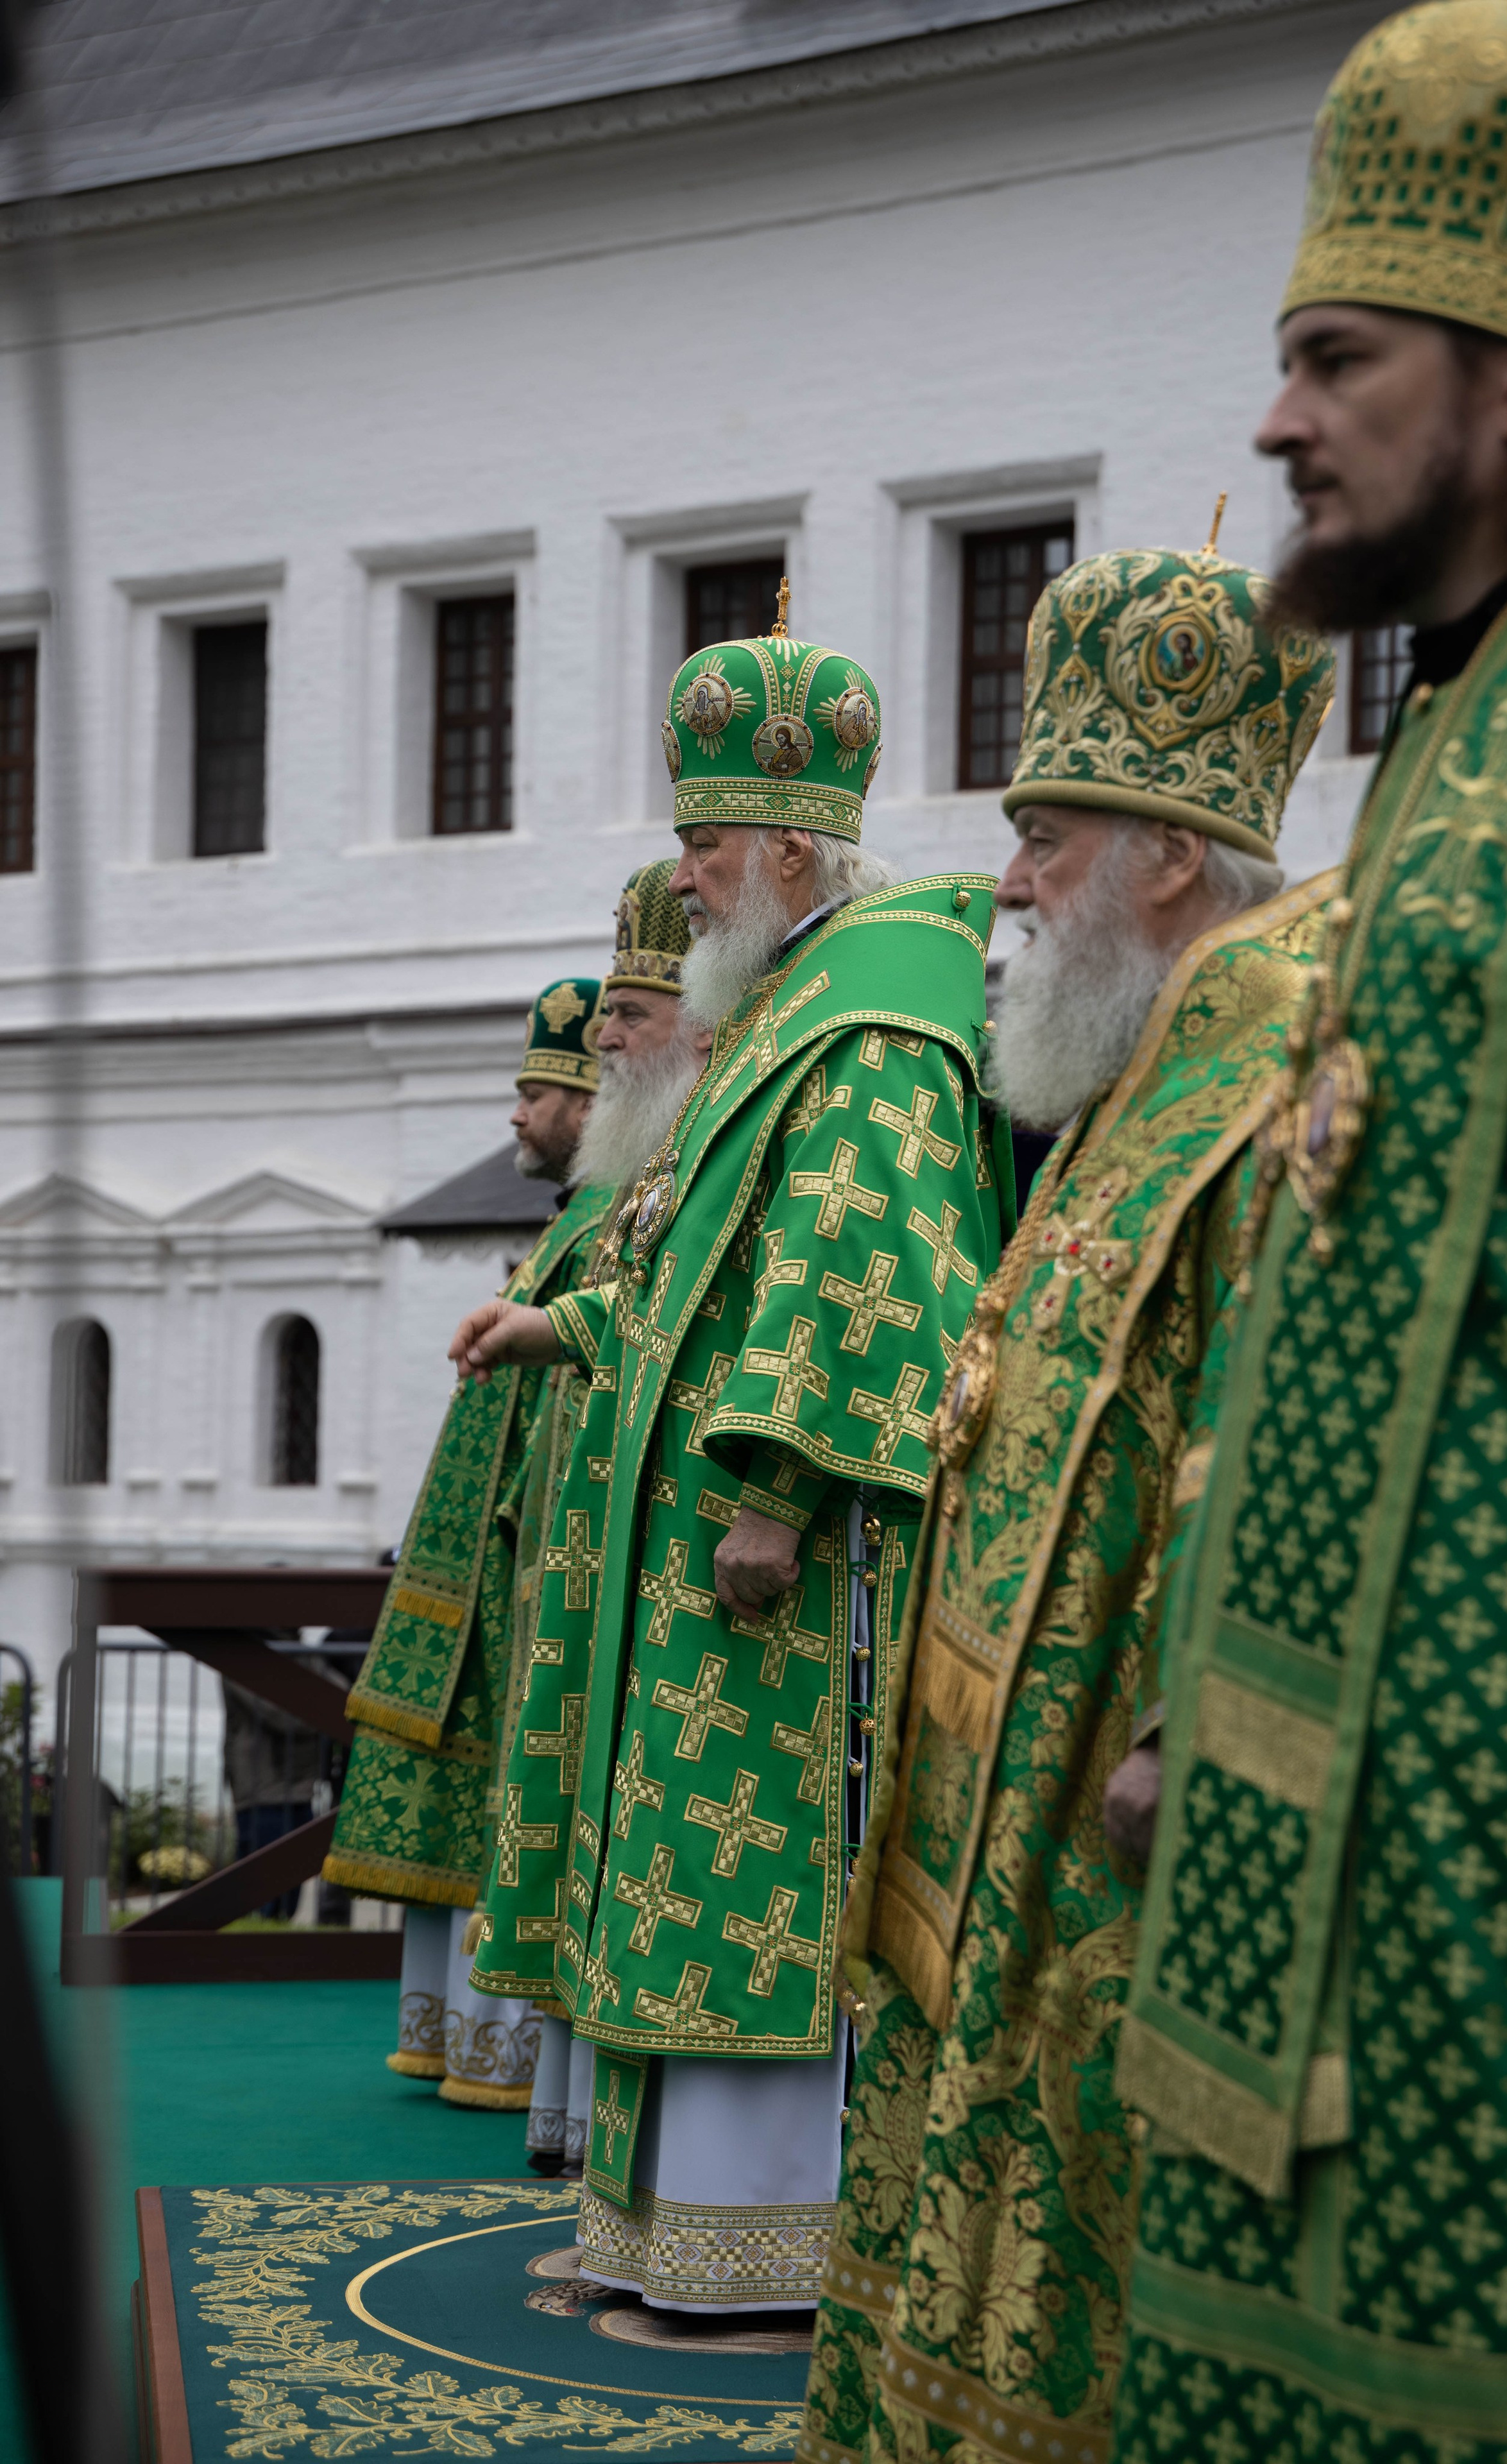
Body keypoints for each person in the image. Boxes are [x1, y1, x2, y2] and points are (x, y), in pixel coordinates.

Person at [1105, 6, 1507, 2456]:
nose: (1277, 420)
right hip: (1320, 1791)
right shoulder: (1473, 707)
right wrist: (1190, 1700)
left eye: (1337, 358)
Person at [799, 546, 1333, 2464]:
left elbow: (1274, 1410)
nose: (1006, 883)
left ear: (1169, 858)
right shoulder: (1133, 1063)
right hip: (999, 1780)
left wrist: (1193, 1714)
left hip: (1113, 1782)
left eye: (1044, 834)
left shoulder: (1275, 1060)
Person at [458, 593, 1011, 2318]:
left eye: (704, 841)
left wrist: (781, 1489)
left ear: (784, 843)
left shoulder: (874, 1021)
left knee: (749, 1897)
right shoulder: (778, 1012)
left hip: (778, 1567)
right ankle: (666, 2242)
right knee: (675, 1884)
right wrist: (575, 1333)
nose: (683, 875)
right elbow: (705, 1290)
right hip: (690, 1560)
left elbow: (871, 1268)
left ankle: (761, 2254)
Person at [322, 976, 609, 2110]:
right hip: (492, 1584)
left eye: (535, 1090)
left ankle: (517, 2055)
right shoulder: (572, 1227)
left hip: (530, 1579)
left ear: (590, 1100)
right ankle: (474, 2044)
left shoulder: (604, 1228)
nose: (516, 1114)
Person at [511, 864, 708, 2173]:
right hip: (599, 1541)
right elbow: (636, 1312)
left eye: (628, 1017)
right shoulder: (642, 1165)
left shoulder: (706, 1147)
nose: (605, 1043)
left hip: (694, 1544)